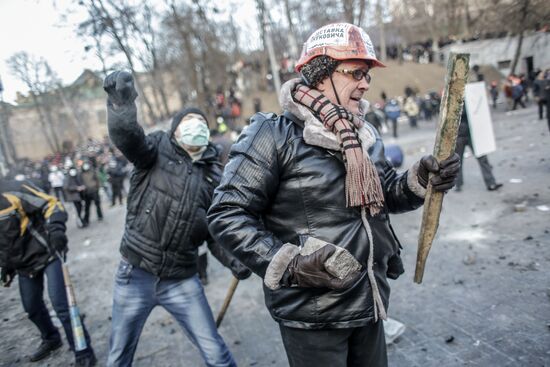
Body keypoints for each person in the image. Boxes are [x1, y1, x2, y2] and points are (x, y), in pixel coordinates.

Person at [208, 23, 460, 367]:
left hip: (368, 299)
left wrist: (420, 179)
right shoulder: (272, 134)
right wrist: (290, 264)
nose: (366, 83)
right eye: (356, 72)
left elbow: (384, 195)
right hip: (312, 313)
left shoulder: (364, 134)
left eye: (367, 74)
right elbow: (227, 214)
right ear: (320, 73)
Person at [103, 71, 250, 367]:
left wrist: (238, 261)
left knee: (216, 353)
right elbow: (128, 136)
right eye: (187, 123)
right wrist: (121, 104)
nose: (195, 128)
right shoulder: (154, 150)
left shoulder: (213, 176)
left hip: (182, 278)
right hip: (136, 274)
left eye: (201, 124)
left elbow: (215, 233)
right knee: (118, 356)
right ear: (175, 131)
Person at [0, 177, 96, 366]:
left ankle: (83, 351)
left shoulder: (13, 189)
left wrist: (56, 229)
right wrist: (7, 265)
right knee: (32, 308)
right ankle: (51, 338)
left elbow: (51, 203)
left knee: (62, 306)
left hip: (48, 253)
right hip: (24, 265)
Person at [455, 108, 502, 192]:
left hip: (471, 134)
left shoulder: (469, 97)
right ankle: (458, 184)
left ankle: (491, 182)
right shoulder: (452, 99)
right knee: (458, 162)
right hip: (460, 135)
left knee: (482, 158)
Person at [80, 161, 103, 226]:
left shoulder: (92, 172)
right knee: (87, 207)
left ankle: (100, 216)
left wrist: (99, 187)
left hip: (94, 190)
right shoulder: (81, 174)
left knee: (97, 204)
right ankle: (86, 219)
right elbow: (80, 182)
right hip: (87, 192)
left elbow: (97, 179)